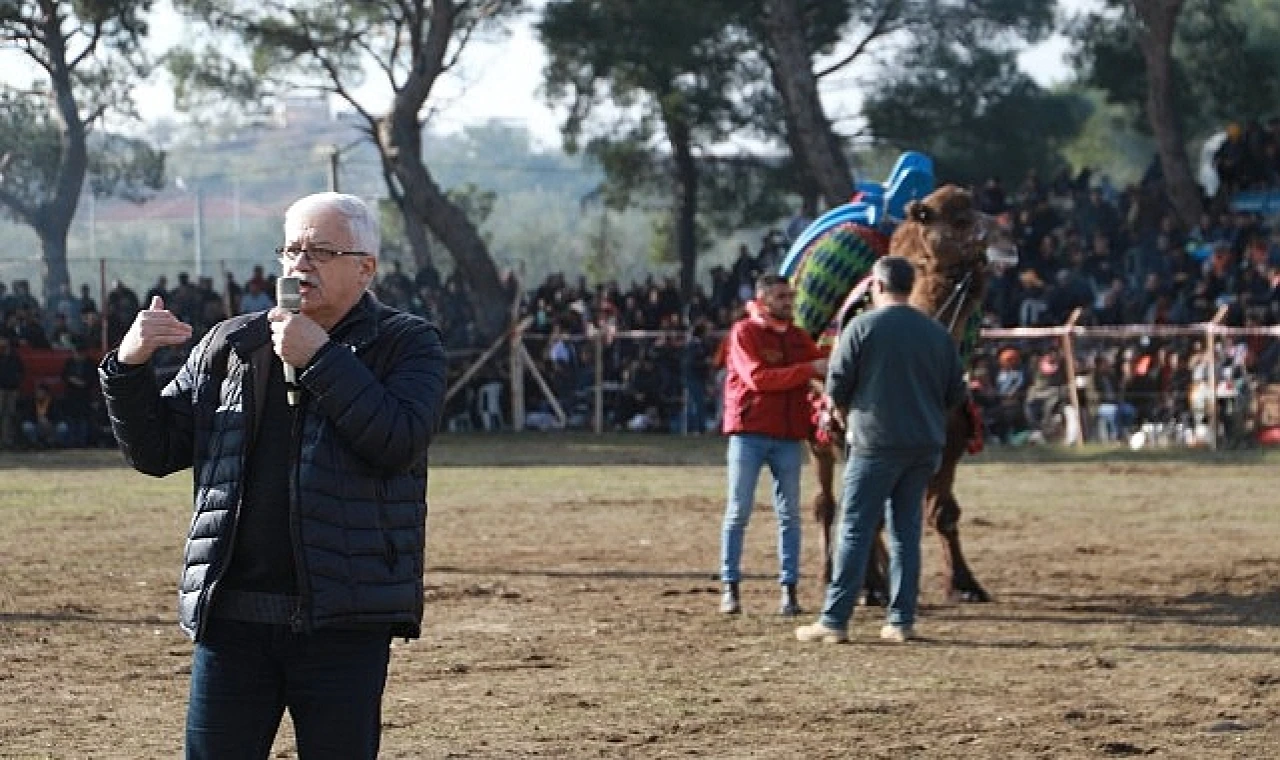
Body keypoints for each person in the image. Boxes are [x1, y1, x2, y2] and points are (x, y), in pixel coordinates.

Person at [99, 192, 447, 759]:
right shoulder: (232, 344)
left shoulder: (407, 343)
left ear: (366, 267)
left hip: (344, 615)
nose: (300, 264)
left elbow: (398, 440)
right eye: (291, 249)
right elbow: (156, 449)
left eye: (320, 250)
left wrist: (322, 359)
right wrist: (129, 365)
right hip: (232, 616)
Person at [795, 256, 966, 644]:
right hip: (924, 445)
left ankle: (834, 620)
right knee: (907, 533)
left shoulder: (861, 326)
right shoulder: (937, 333)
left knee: (854, 529)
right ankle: (901, 620)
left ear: (877, 285)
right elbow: (956, 393)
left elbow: (836, 387)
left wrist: (844, 420)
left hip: (874, 443)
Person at [719, 274, 826, 617]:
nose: (788, 302)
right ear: (763, 299)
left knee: (790, 515)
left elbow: (823, 364)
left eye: (790, 296)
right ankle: (730, 587)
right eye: (781, 297)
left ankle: (789, 591)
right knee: (739, 512)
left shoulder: (797, 337)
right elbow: (758, 378)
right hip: (749, 433)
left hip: (787, 436)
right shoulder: (744, 333)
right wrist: (808, 369)